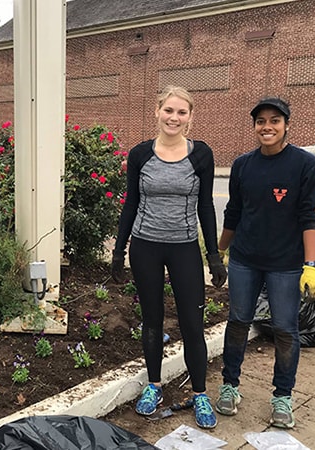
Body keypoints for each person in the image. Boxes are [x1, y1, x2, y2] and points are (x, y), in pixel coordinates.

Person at [111, 86, 226, 429]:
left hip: (184, 248)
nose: (174, 118)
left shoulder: (201, 155)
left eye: (182, 112)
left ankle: (200, 393)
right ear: (157, 111)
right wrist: (119, 250)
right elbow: (130, 202)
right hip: (146, 246)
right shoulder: (140, 154)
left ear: (191, 117)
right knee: (153, 321)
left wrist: (215, 256)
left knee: (192, 324)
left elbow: (206, 205)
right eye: (169, 110)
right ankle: (154, 386)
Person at [215, 97, 315, 428]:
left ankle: (282, 397)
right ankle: (229, 386)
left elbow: (312, 217)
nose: (267, 126)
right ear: (254, 126)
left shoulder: (307, 166)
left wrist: (311, 264)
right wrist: (220, 251)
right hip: (245, 260)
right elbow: (233, 212)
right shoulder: (243, 165)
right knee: (237, 322)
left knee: (284, 330)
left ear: (286, 124)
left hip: (287, 265)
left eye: (274, 120)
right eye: (260, 121)